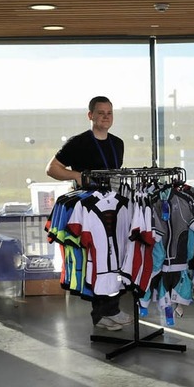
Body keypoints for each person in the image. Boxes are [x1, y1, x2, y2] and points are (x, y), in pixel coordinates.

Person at [46, 96, 130, 331]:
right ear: (90, 115)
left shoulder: (118, 143)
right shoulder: (78, 142)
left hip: (113, 204)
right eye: (101, 112)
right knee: (97, 256)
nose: (106, 117)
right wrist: (77, 176)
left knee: (114, 255)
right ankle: (100, 314)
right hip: (90, 208)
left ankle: (112, 309)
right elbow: (51, 168)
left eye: (109, 113)